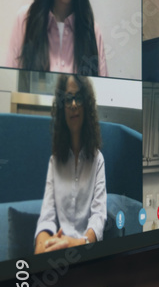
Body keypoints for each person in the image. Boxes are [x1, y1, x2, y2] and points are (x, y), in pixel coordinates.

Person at [34, 74, 106, 253]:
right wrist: (41, 246)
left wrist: (79, 243)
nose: (73, 105)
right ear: (62, 107)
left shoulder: (98, 160)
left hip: (86, 252)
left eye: (78, 98)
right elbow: (47, 215)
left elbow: (98, 216)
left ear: (86, 104)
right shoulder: (54, 161)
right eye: (68, 99)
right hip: (58, 249)